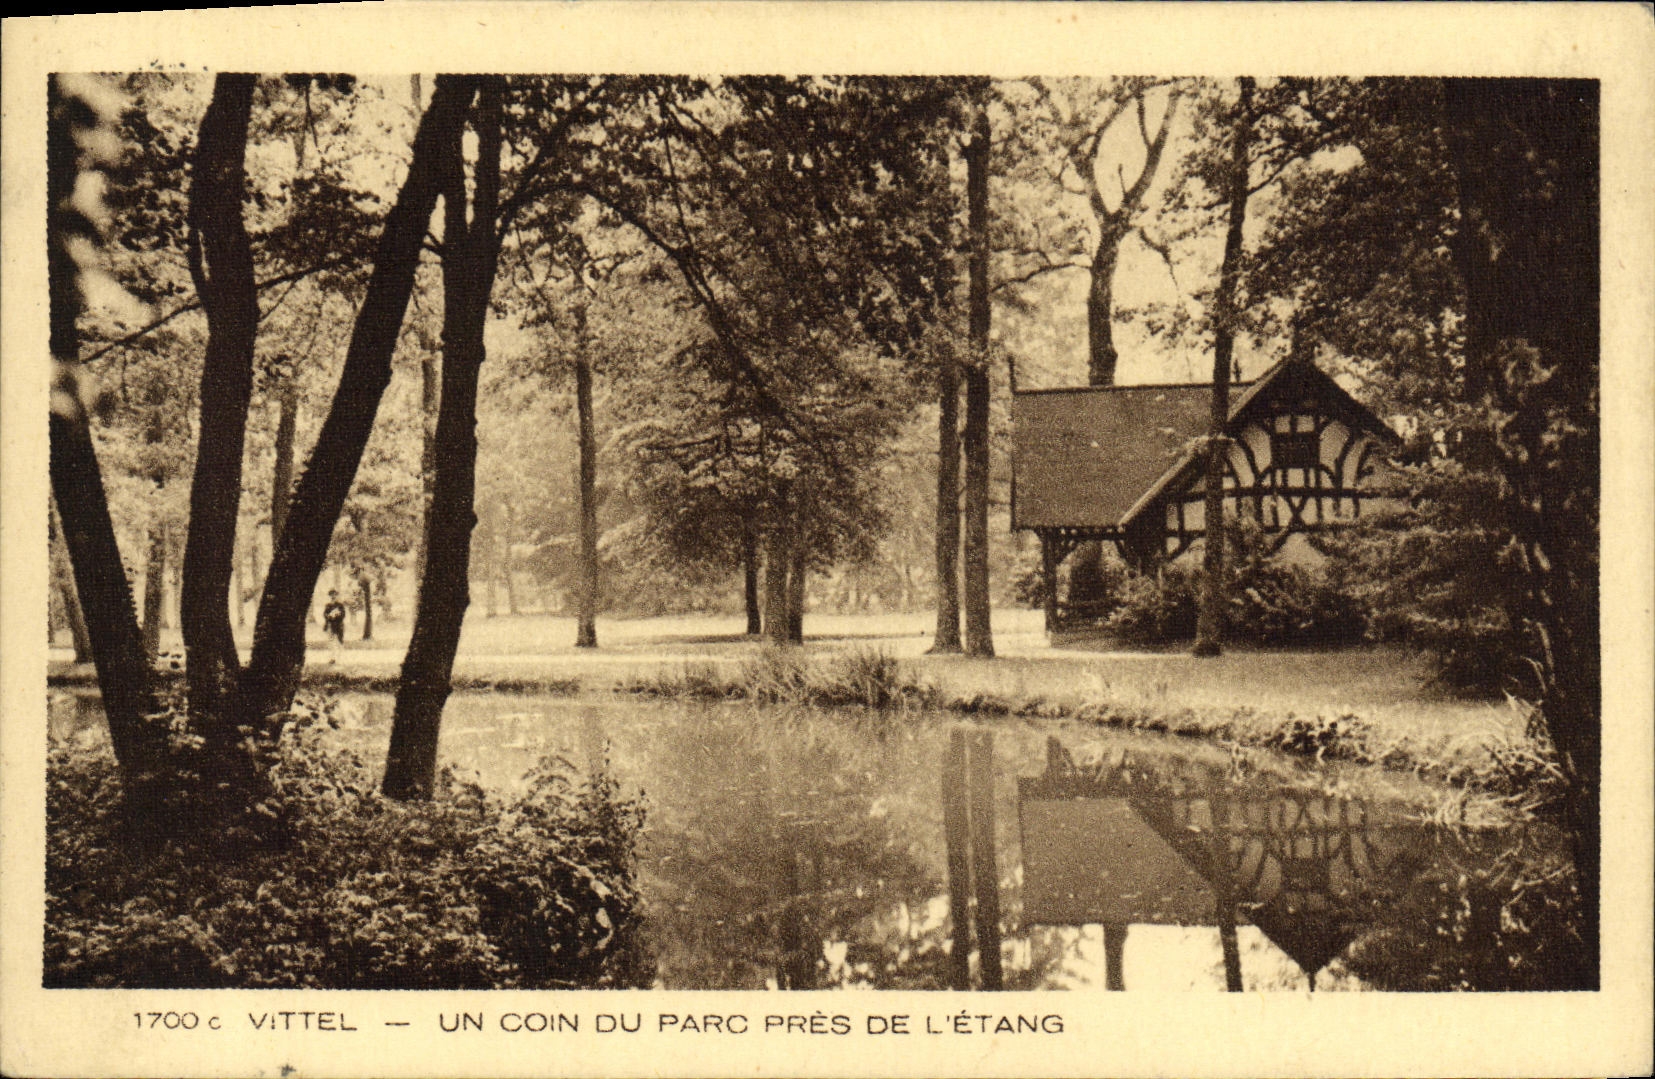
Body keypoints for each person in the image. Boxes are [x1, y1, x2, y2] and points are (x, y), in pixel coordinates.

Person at [322, 590, 347, 663]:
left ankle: (339, 658)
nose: (333, 596)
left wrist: (336, 615)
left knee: (339, 642)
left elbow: (343, 615)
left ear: (337, 596)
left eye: (334, 595)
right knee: (331, 643)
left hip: (338, 625)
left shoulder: (340, 605)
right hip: (330, 625)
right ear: (330, 596)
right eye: (331, 595)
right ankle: (332, 658)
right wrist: (328, 616)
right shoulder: (328, 605)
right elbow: (325, 614)